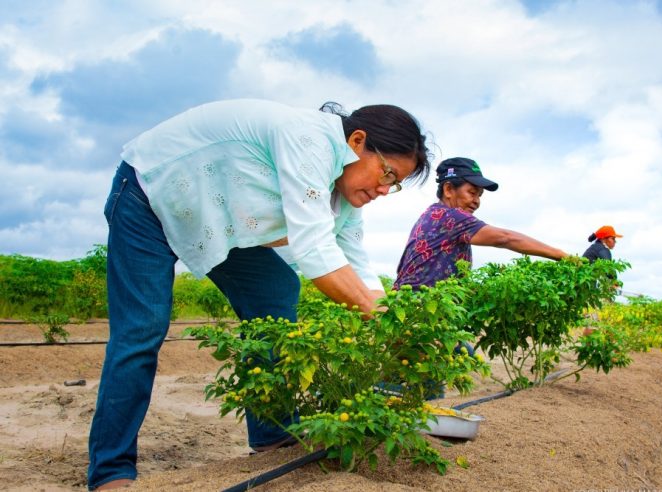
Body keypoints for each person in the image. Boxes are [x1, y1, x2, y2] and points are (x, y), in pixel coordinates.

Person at [87, 99, 431, 490]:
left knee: (275, 289)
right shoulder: (311, 139)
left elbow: (358, 265)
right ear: (356, 141)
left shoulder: (345, 196)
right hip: (148, 195)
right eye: (386, 173)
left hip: (210, 217)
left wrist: (406, 325)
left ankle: (273, 433)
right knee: (142, 328)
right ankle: (111, 471)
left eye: (395, 183)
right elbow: (316, 251)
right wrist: (388, 326)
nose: (385, 189)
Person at [394, 157, 567, 290]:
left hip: (410, 309)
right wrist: (561, 255)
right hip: (425, 314)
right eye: (471, 192)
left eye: (479, 196)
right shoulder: (452, 217)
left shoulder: (431, 214)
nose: (476, 201)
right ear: (448, 189)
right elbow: (504, 238)